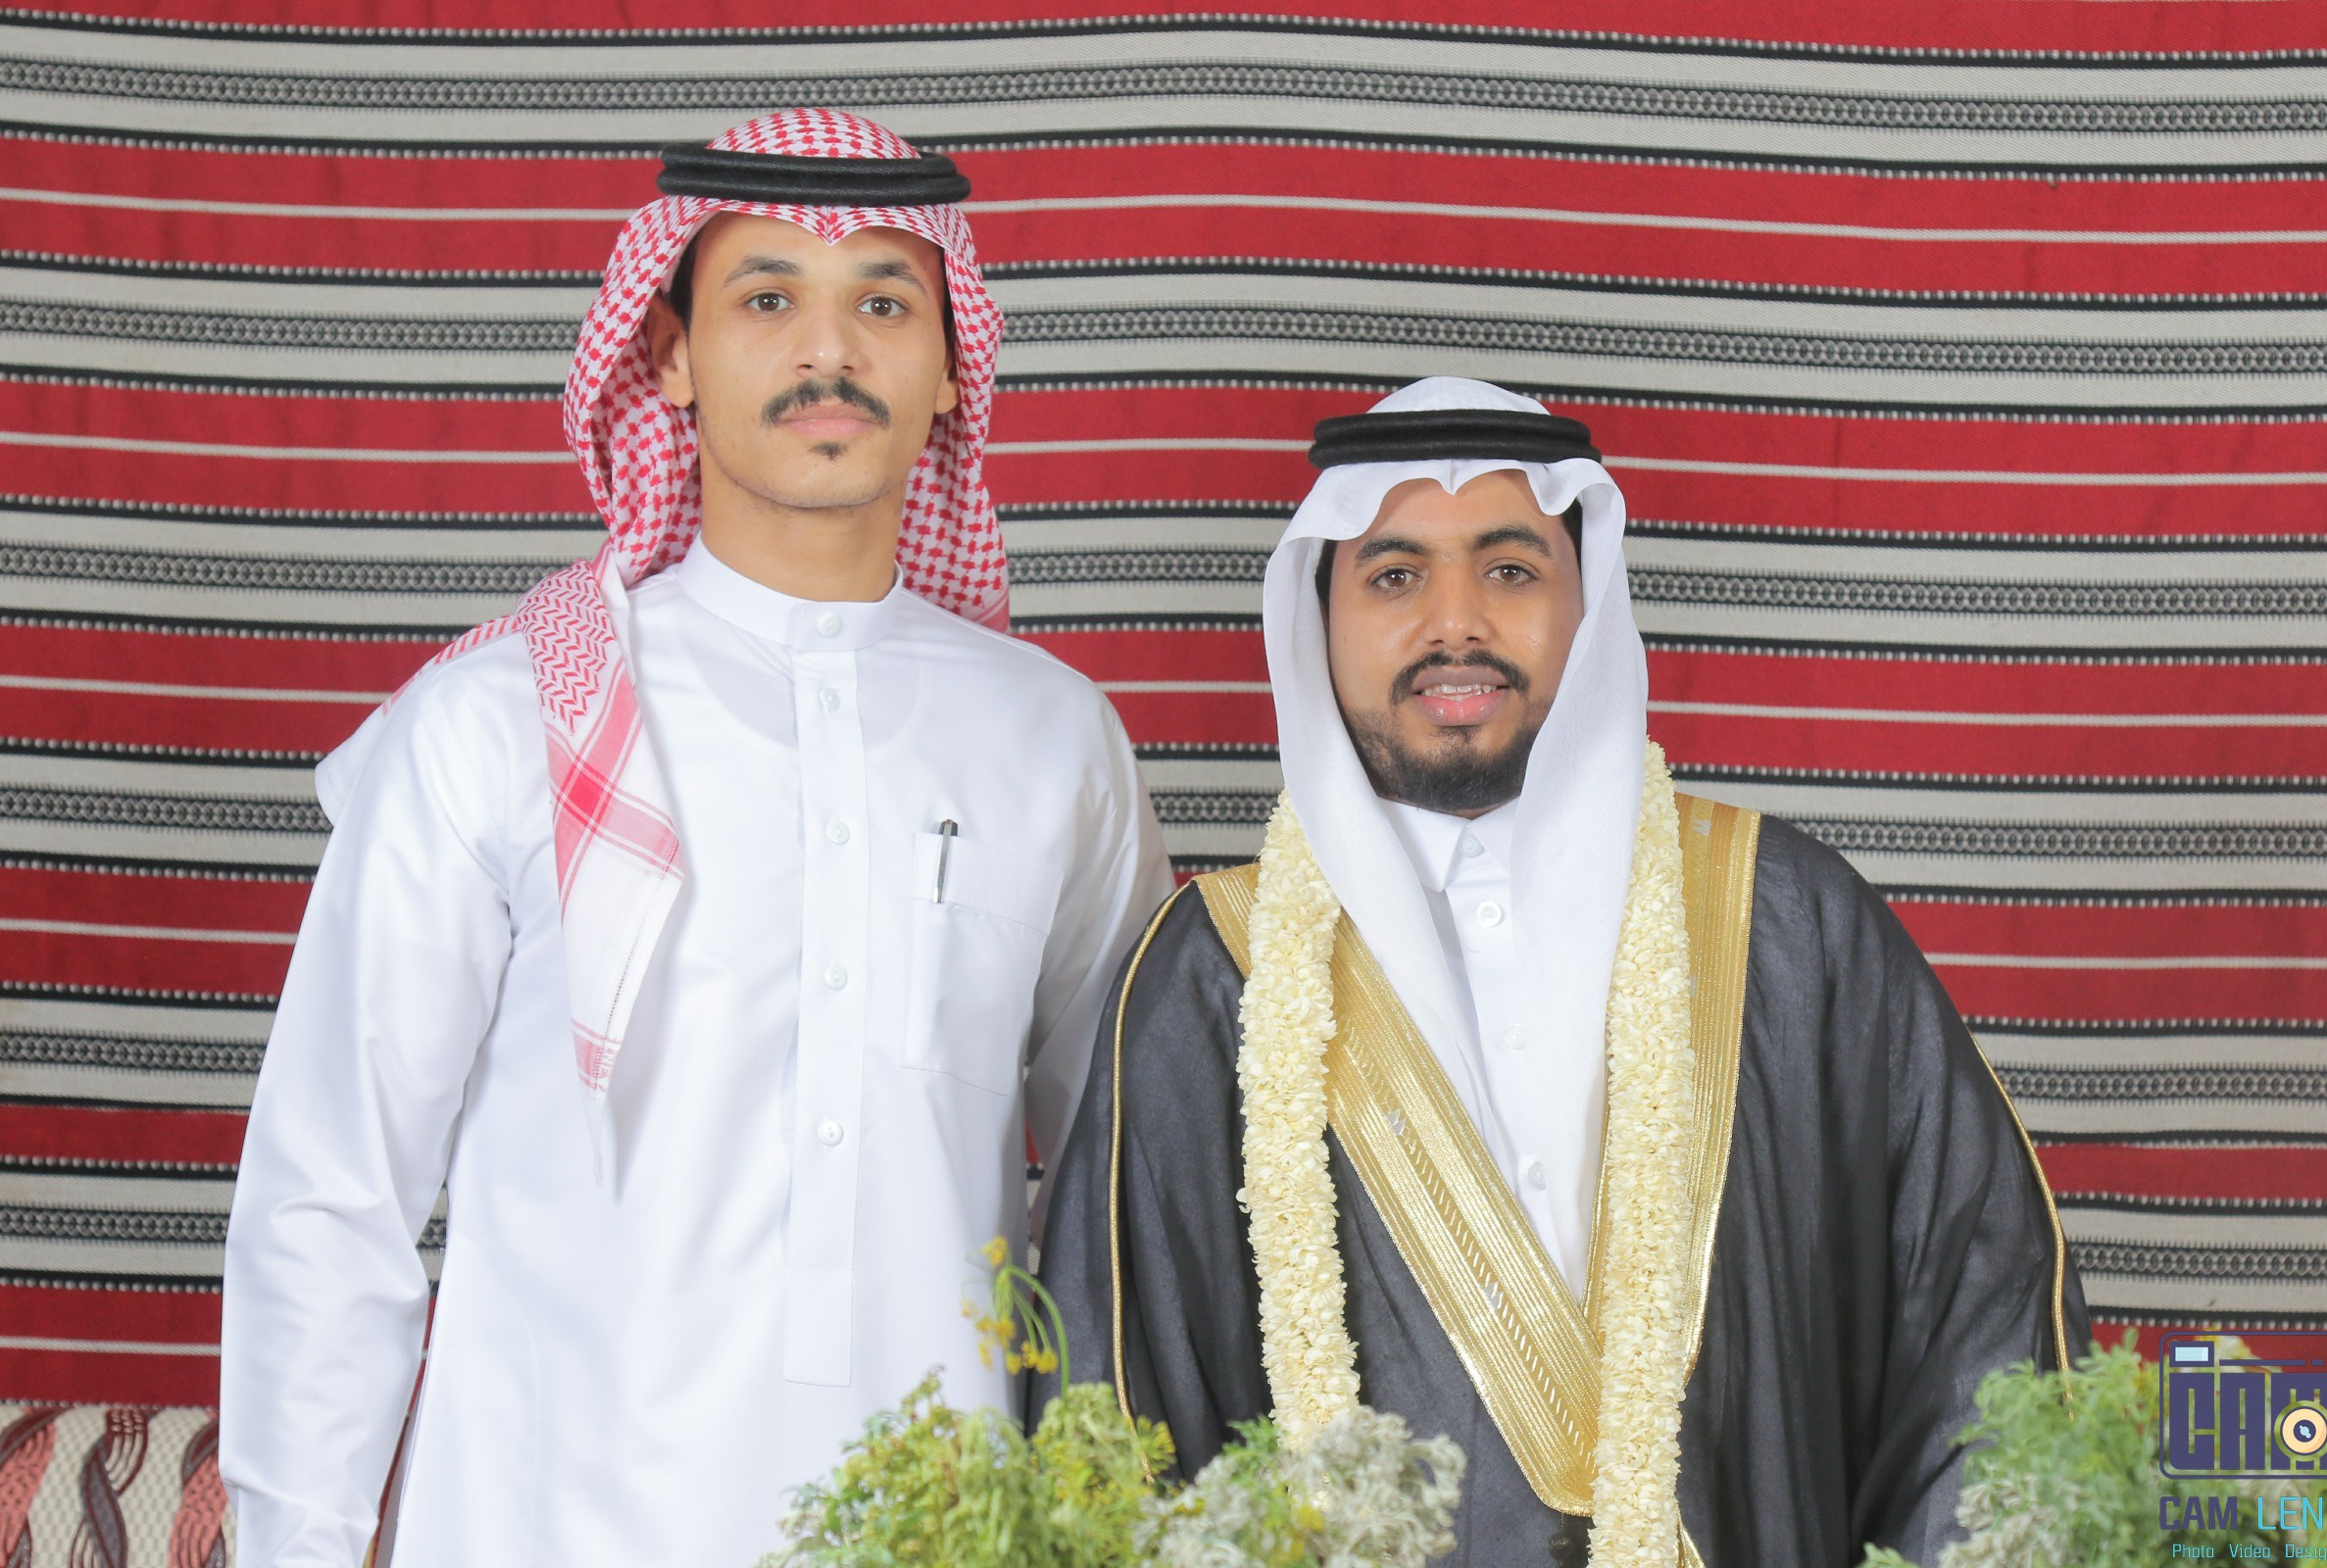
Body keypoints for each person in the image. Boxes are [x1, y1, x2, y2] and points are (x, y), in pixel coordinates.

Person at [221, 108, 1170, 1568]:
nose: (828, 351)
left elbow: (1135, 1197)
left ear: (950, 368)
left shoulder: (1053, 739)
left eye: (883, 305)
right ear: (666, 354)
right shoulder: (501, 719)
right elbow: (329, 1198)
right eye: (767, 299)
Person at [1037, 376, 2084, 1568]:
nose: (1455, 623)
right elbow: (1115, 1427)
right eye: (1394, 576)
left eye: (1510, 569)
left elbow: (1986, 1336)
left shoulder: (1792, 924)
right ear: (1317, 619)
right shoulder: (1208, 977)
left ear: (1589, 607)